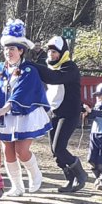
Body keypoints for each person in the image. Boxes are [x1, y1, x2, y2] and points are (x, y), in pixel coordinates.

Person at [0, 19, 51, 197]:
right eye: (6, 49)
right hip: (4, 115)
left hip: (24, 113)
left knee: (22, 150)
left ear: (21, 50)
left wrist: (6, 108)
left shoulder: (29, 70)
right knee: (8, 152)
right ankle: (17, 186)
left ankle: (36, 175)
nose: (8, 52)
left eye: (12, 49)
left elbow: (23, 92)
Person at [37, 35, 87, 193]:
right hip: (55, 112)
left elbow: (54, 78)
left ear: (63, 52)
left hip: (70, 113)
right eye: (50, 52)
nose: (52, 55)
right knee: (55, 152)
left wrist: (33, 65)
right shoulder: (50, 67)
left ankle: (80, 172)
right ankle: (69, 180)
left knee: (59, 147)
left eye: (55, 52)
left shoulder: (69, 67)